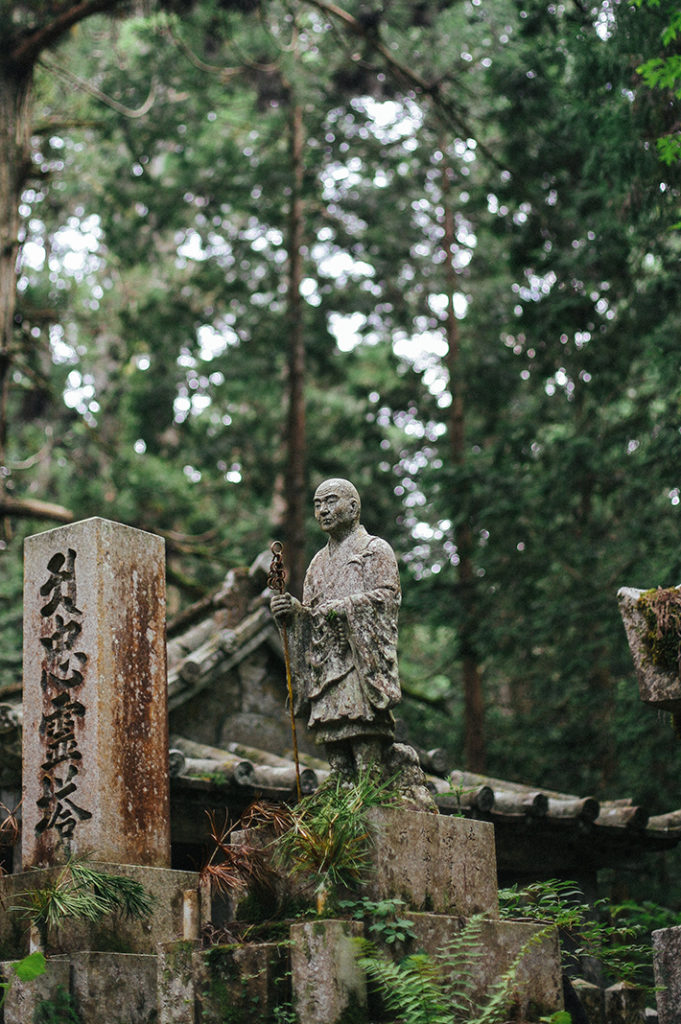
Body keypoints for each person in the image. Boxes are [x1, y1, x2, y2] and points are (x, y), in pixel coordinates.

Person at [270, 478, 402, 777]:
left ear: (353, 507)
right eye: (317, 505)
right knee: (331, 724)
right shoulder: (317, 563)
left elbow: (387, 598)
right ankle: (340, 779)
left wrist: (343, 608)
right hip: (325, 658)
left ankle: (369, 780)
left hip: (357, 654)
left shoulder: (375, 549)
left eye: (330, 501)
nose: (323, 511)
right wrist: (291, 613)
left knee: (360, 718)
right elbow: (310, 614)